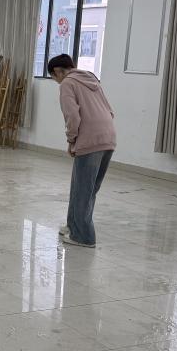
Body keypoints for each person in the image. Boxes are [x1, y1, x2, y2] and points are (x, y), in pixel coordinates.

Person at [48, 54, 116, 248]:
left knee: (82, 190)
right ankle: (73, 226)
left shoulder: (67, 84)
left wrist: (72, 140)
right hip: (109, 136)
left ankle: (83, 237)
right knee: (87, 188)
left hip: (90, 138)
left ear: (58, 71)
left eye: (54, 77)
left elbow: (72, 116)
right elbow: (110, 110)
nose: (56, 81)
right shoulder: (91, 79)